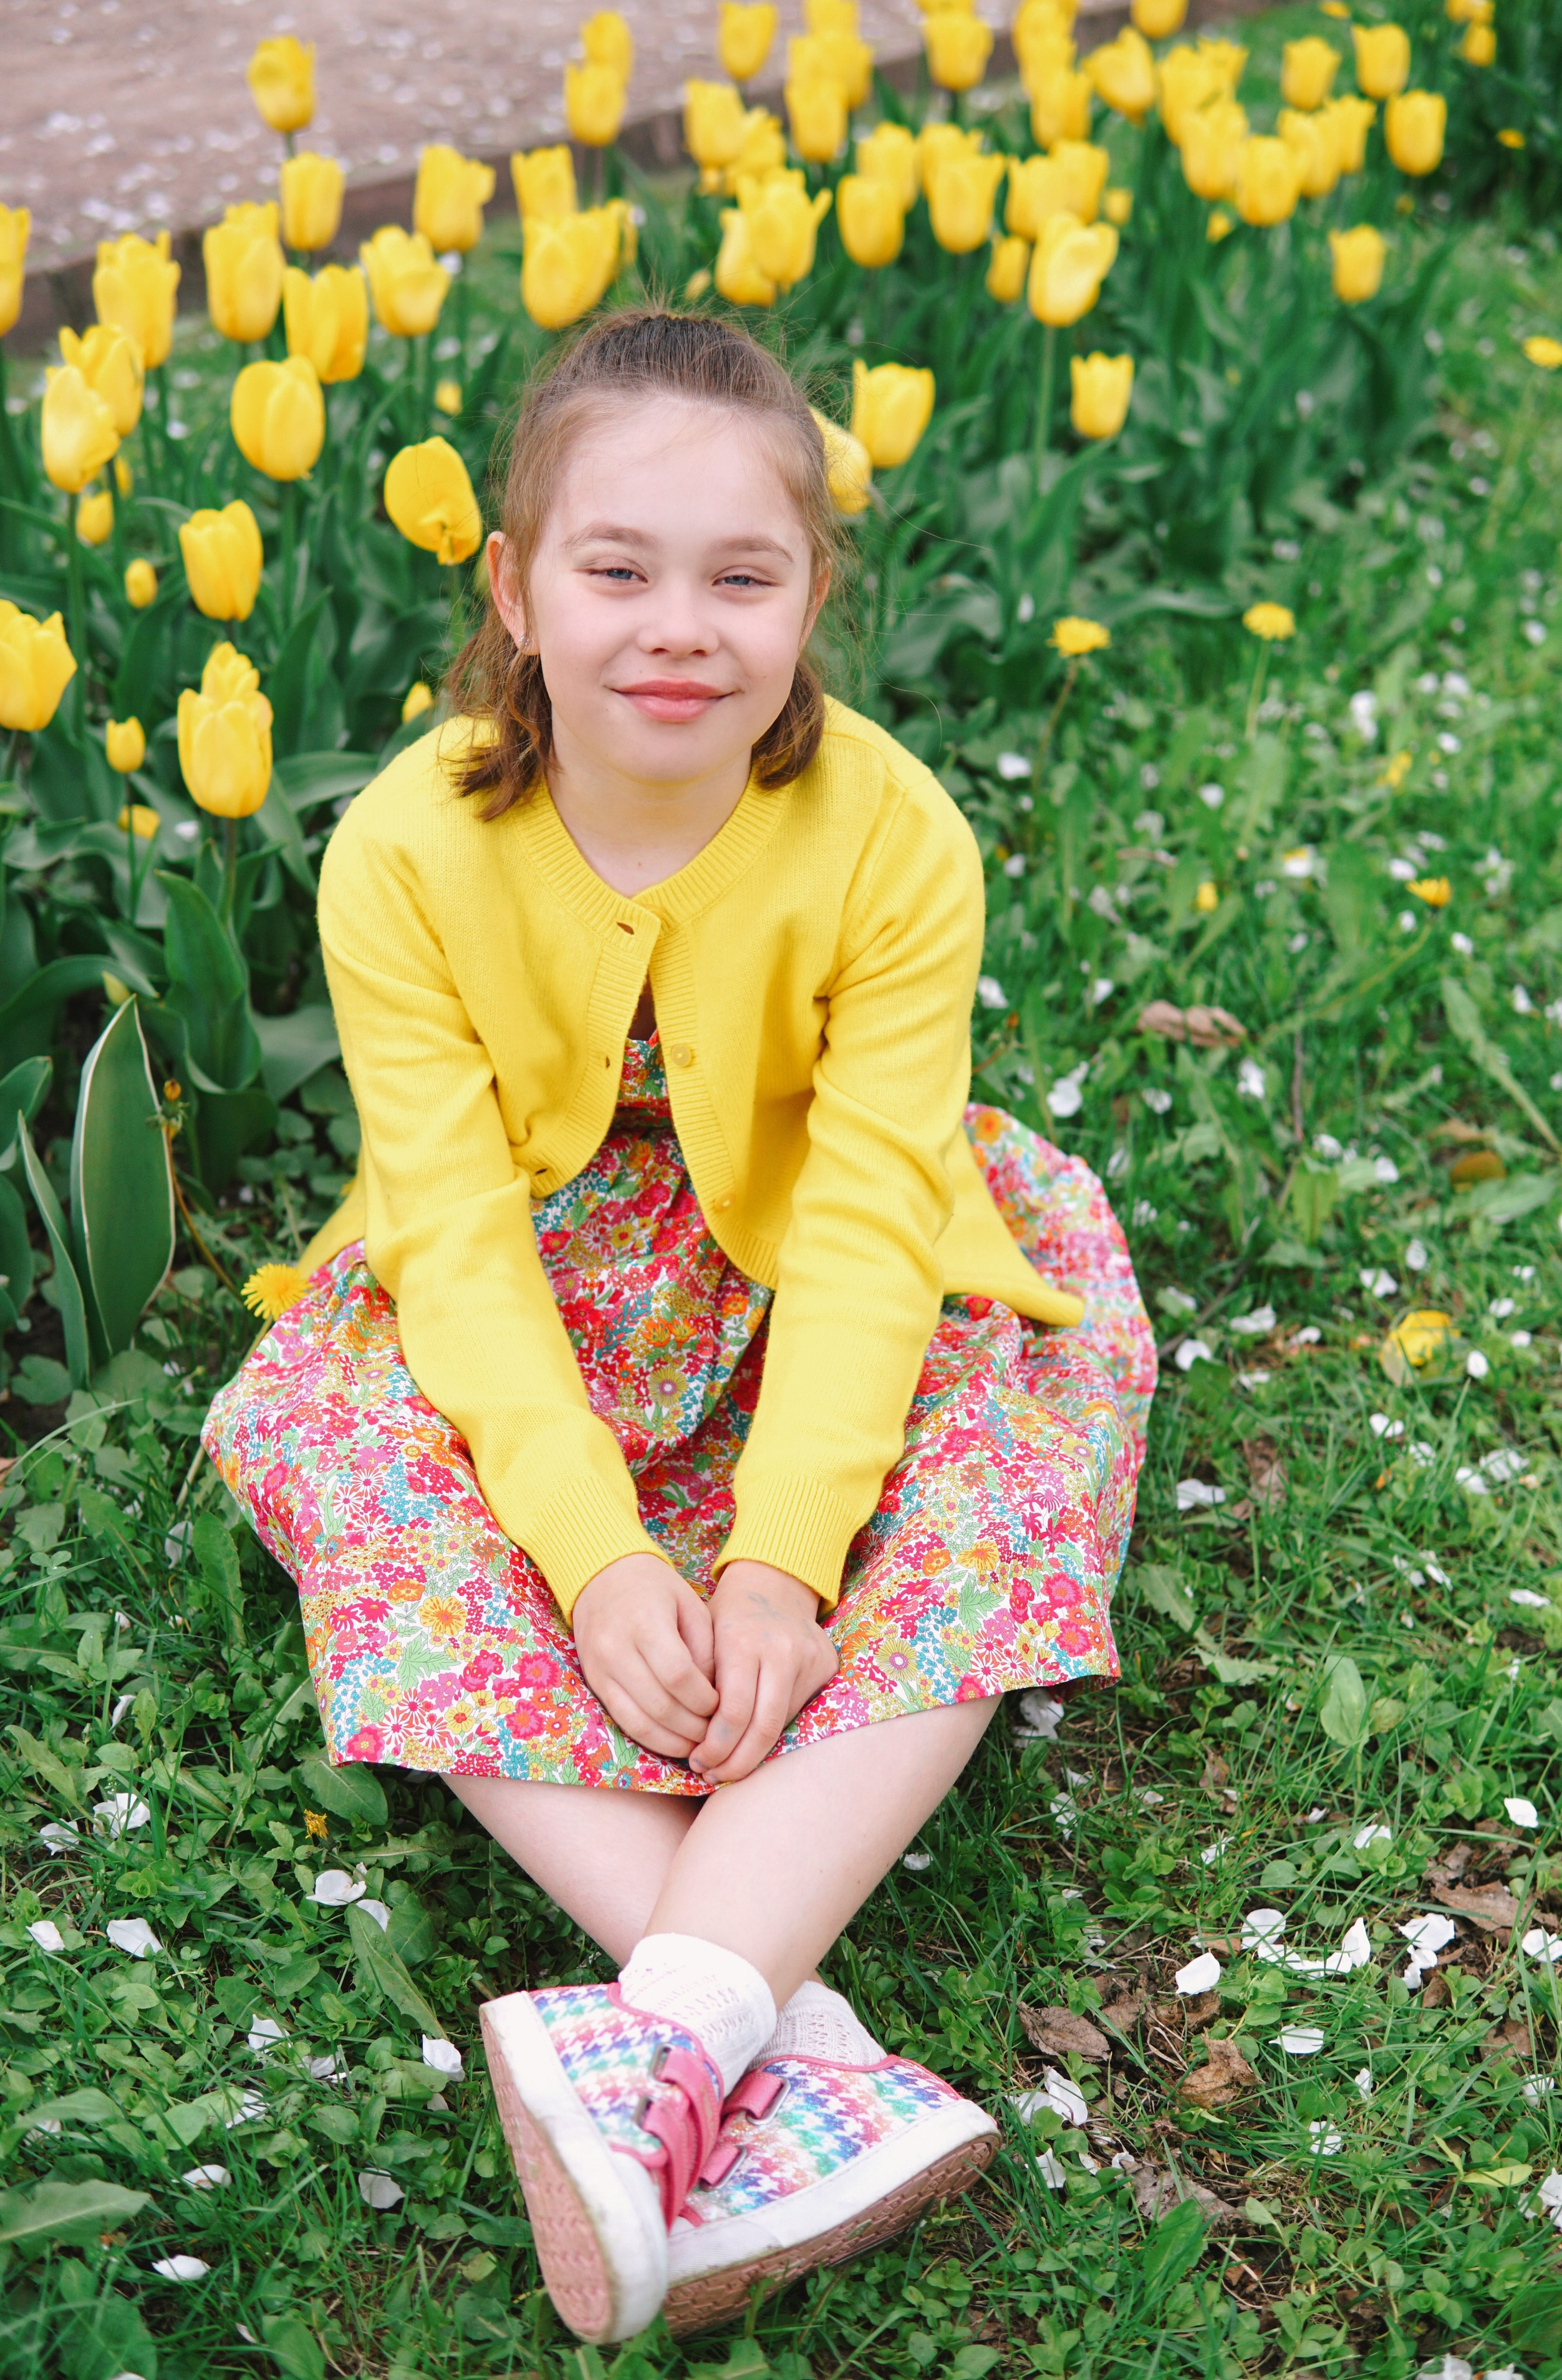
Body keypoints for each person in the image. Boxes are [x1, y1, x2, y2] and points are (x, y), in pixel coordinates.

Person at [205, 307, 1154, 2346]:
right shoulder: (403, 847)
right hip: (531, 1292)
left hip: (824, 1255)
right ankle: (778, 2037)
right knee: (355, 1449)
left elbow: (886, 1208)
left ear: (815, 594)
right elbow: (453, 1237)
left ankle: (656, 2042)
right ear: (517, 591)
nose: (679, 628)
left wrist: (791, 1561)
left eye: (745, 576)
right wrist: (607, 1557)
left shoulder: (890, 830)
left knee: (1006, 1431)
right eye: (617, 568)